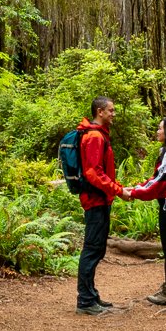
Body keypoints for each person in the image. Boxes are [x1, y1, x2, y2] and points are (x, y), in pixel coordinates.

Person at [123, 113, 166, 305]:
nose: (157, 131)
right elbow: (156, 179)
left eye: (160, 128)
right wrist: (137, 188)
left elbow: (159, 182)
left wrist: (134, 193)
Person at [68, 96, 129, 314]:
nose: (113, 114)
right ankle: (85, 301)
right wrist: (118, 190)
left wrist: (116, 189)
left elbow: (102, 171)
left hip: (101, 198)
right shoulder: (94, 136)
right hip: (95, 199)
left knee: (97, 248)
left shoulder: (98, 134)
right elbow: (93, 173)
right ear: (100, 112)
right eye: (111, 110)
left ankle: (91, 295)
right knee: (92, 249)